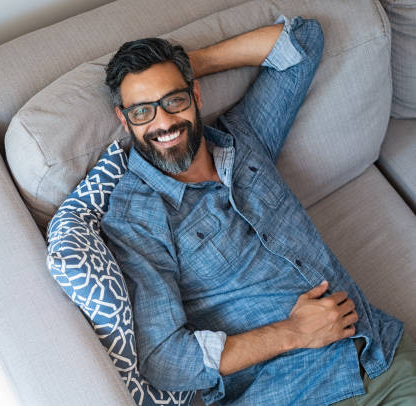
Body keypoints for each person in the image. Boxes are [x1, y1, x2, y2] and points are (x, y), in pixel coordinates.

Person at [101, 15, 416, 405]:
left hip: (380, 353)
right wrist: (295, 332)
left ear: (196, 95)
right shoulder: (136, 217)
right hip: (294, 394)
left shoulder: (245, 138)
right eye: (142, 111)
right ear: (124, 119)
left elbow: (302, 43)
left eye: (174, 101)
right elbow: (166, 361)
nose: (163, 122)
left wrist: (185, 64)